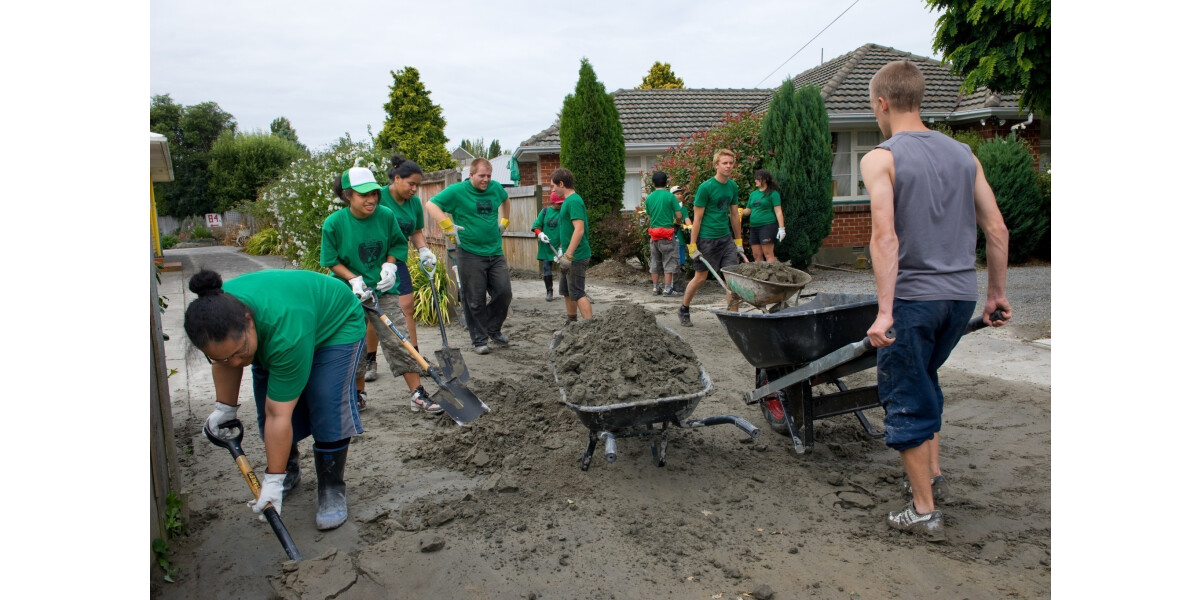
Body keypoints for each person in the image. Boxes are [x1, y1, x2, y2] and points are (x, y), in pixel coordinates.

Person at [860, 59, 1012, 541]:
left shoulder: (881, 157)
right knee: (925, 376)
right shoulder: (964, 154)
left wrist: (885, 311)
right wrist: (996, 295)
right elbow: (997, 229)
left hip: (914, 299)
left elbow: (885, 238)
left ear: (882, 103)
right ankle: (935, 473)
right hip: (960, 297)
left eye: (873, 106)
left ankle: (923, 509)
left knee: (904, 392)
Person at [184, 268, 366, 531]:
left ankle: (331, 488)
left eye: (239, 353)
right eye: (223, 357)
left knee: (326, 402)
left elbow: (278, 414)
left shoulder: (284, 333)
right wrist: (225, 409)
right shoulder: (211, 321)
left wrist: (270, 480)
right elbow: (227, 363)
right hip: (283, 326)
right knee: (266, 402)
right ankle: (288, 470)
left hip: (334, 324)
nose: (236, 363)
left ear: (248, 321)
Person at [321, 166, 442, 414]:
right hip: (349, 294)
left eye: (374, 193)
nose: (371, 199)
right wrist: (353, 279)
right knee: (354, 343)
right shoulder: (334, 224)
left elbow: (398, 243)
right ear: (347, 196)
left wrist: (389, 265)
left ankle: (417, 394)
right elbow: (331, 259)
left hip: (383, 290)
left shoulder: (385, 215)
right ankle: (358, 394)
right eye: (364, 195)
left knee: (398, 338)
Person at [427, 158, 513, 355]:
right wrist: (447, 227)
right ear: (471, 175)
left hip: (495, 251)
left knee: (504, 292)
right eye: (481, 176)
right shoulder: (457, 191)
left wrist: (505, 222)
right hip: (470, 252)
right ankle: (479, 339)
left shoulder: (495, 188)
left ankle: (492, 328)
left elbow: (505, 200)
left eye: (489, 176)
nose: (486, 180)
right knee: (475, 299)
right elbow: (431, 204)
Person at [363, 156, 432, 385]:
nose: (414, 189)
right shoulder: (378, 198)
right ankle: (370, 359)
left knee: (407, 307)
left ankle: (415, 357)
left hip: (397, 259)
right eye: (411, 184)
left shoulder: (413, 203)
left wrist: (423, 251)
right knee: (376, 310)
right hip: (374, 260)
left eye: (417, 185)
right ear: (396, 178)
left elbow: (416, 230)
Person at [678, 149, 744, 326]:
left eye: (731, 163)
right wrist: (692, 245)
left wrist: (738, 240)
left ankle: (733, 321)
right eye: (725, 163)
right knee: (700, 277)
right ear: (716, 165)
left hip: (726, 239)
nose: (729, 166)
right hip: (707, 239)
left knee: (732, 280)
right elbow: (697, 218)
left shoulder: (733, 186)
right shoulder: (705, 188)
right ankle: (684, 307)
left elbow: (734, 214)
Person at [548, 167, 593, 325]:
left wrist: (569, 255)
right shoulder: (568, 202)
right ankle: (571, 321)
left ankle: (590, 326)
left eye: (553, 186)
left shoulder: (574, 201)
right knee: (567, 290)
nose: (552, 190)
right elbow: (567, 230)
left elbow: (579, 230)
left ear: (562, 183)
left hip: (577, 256)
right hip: (568, 255)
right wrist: (563, 251)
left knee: (578, 292)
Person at [645, 172, 692, 296]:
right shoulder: (670, 197)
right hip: (667, 234)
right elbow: (679, 215)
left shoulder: (649, 198)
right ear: (666, 183)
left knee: (655, 261)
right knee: (669, 261)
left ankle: (655, 288)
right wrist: (678, 222)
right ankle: (667, 288)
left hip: (654, 234)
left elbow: (649, 217)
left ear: (653, 183)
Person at [746, 169, 786, 262]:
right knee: (756, 255)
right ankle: (759, 276)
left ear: (765, 179)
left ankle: (770, 275)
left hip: (767, 226)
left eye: (757, 179)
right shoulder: (753, 194)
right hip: (754, 227)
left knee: (768, 254)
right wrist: (739, 211)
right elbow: (748, 210)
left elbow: (778, 211)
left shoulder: (773, 193)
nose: (755, 180)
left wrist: (781, 228)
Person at [532, 191, 565, 302]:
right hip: (547, 245)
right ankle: (549, 291)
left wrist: (561, 247)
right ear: (552, 202)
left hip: (560, 246)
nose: (560, 205)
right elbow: (536, 226)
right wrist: (540, 234)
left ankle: (568, 290)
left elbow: (568, 230)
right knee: (547, 269)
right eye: (558, 204)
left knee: (566, 269)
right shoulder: (545, 212)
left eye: (562, 203)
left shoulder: (564, 212)